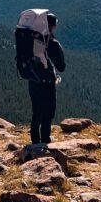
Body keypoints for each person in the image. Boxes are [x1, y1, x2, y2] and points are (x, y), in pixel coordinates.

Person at [28, 12, 65, 145]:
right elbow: (61, 66)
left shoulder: (31, 38)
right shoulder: (51, 42)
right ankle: (44, 141)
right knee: (48, 113)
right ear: (52, 26)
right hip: (47, 83)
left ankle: (34, 142)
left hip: (33, 81)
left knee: (36, 112)